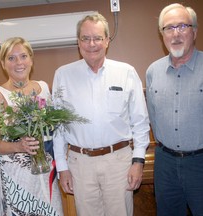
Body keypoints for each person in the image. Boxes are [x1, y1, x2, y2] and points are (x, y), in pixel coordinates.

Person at [52, 13, 150, 216]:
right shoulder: (63, 75)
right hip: (80, 164)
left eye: (97, 38)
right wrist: (62, 167)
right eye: (85, 38)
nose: (92, 44)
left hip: (118, 161)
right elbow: (58, 127)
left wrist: (138, 162)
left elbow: (140, 122)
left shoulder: (126, 72)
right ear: (78, 42)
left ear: (107, 41)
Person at [146, 3, 203, 216]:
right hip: (165, 164)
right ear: (162, 34)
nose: (176, 34)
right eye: (169, 28)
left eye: (183, 26)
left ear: (194, 31)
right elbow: (154, 119)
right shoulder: (153, 71)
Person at [0, 37, 64, 216]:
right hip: (17, 179)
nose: (18, 62)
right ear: (3, 64)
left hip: (46, 173)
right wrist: (18, 146)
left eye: (23, 56)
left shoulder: (44, 88)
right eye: (11, 58)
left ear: (31, 59)